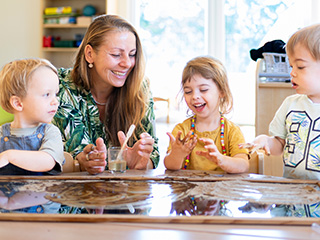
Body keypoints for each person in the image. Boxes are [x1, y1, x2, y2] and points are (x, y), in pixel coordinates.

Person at [52, 14, 159, 174]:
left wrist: (141, 163)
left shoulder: (140, 89)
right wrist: (87, 162)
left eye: (132, 54)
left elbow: (153, 154)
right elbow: (79, 154)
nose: (127, 63)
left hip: (125, 194)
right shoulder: (60, 86)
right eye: (116, 54)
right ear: (89, 54)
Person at [240, 24, 320, 180]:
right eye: (291, 66)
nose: (292, 72)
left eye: (300, 66)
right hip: (292, 194)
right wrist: (266, 142)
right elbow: (279, 146)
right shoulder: (290, 105)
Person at [164, 56, 249, 172]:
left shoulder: (232, 131)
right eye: (188, 91)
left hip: (223, 190)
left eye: (203, 90)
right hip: (189, 190)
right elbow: (169, 165)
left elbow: (243, 164)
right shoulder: (182, 130)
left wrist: (222, 160)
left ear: (222, 91)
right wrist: (177, 154)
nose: (194, 96)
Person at [0, 58, 64, 175]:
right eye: (47, 94)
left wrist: (8, 156)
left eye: (56, 94)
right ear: (18, 103)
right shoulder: (1, 134)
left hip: (42, 192)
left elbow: (48, 161)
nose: (55, 101)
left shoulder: (50, 132)